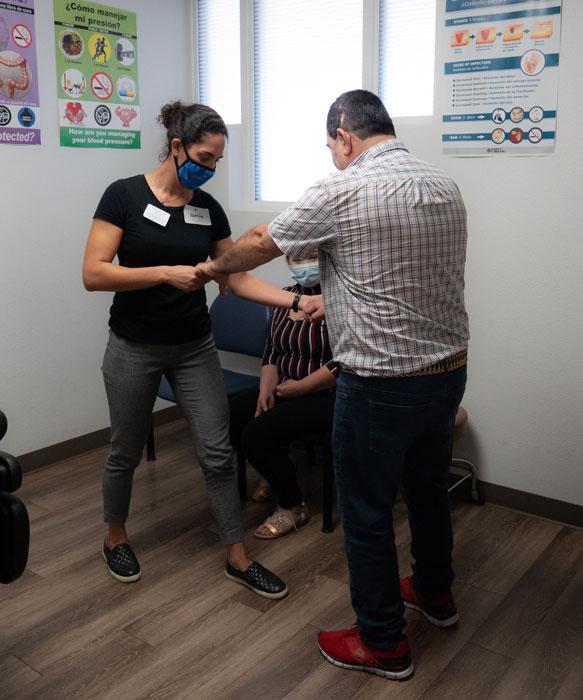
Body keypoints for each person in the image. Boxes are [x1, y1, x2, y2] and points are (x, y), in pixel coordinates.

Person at [195, 90, 469, 680]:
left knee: (367, 513)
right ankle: (434, 594)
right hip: (447, 372)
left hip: (378, 385)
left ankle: (383, 643)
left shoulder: (341, 187)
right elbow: (399, 277)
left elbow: (263, 242)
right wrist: (338, 302)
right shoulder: (444, 186)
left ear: (343, 134)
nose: (333, 155)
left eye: (331, 145)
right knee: (425, 493)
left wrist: (214, 268)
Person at [82, 101, 316, 598]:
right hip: (133, 347)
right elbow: (94, 272)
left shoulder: (206, 210)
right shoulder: (122, 196)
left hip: (193, 348)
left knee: (215, 454)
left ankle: (236, 554)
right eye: (205, 157)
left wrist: (297, 299)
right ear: (176, 146)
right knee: (123, 452)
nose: (209, 169)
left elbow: (236, 276)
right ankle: (115, 536)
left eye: (216, 162)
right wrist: (164, 274)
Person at [229, 252, 337, 539]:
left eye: (312, 257)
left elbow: (348, 361)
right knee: (232, 414)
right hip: (286, 387)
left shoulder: (340, 298)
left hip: (329, 396)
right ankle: (274, 470)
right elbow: (272, 350)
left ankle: (293, 506)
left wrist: (304, 387)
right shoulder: (285, 296)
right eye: (296, 258)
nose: (304, 265)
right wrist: (266, 385)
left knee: (257, 434)